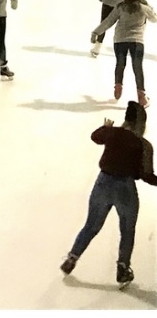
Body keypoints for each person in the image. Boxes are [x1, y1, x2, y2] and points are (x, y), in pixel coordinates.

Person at [59, 103, 156, 288]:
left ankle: (71, 259)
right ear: (141, 123)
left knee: (91, 226)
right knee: (127, 231)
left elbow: (95, 137)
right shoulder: (143, 145)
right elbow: (146, 175)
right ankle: (123, 269)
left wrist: (106, 128)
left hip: (102, 184)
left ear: (126, 120)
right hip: (125, 189)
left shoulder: (113, 133)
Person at [91, 0, 153, 107]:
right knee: (137, 67)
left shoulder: (121, 7)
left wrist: (96, 32)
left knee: (120, 64)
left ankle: (118, 86)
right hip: (137, 41)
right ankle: (142, 97)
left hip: (120, 41)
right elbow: (155, 18)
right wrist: (149, 8)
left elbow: (108, 21)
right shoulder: (144, 8)